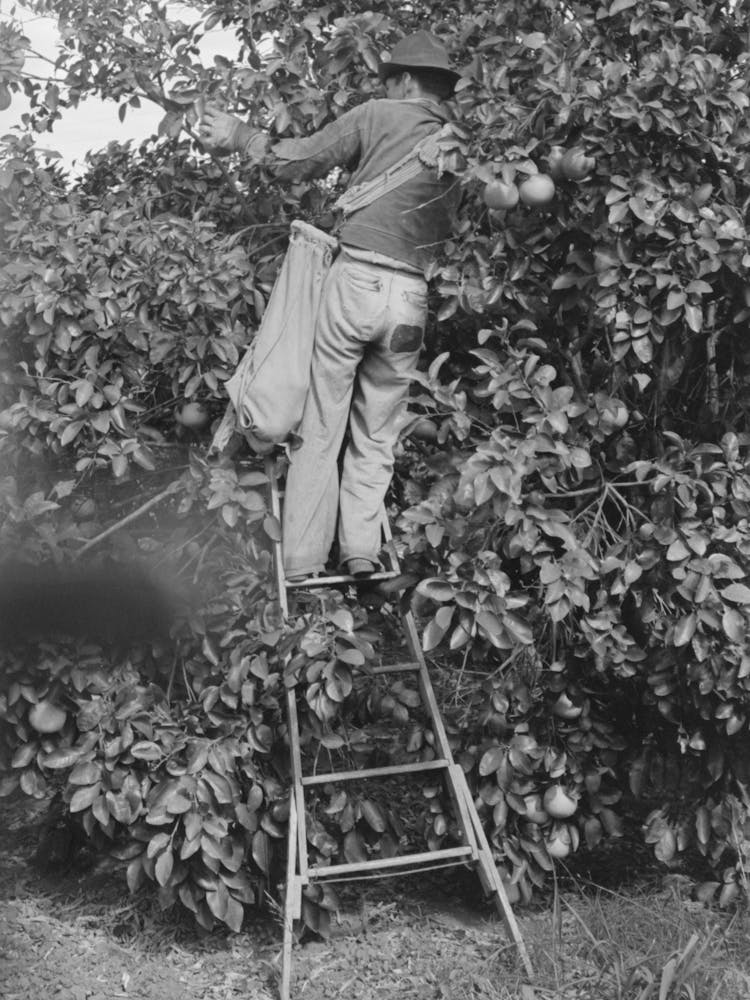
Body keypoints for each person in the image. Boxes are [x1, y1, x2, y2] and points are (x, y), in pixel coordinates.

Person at [200, 31, 462, 581]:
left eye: (389, 80)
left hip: (357, 282)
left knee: (322, 423)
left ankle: (301, 558)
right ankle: (362, 550)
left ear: (405, 81)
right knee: (378, 433)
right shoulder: (462, 143)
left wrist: (240, 135)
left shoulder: (378, 115)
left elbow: (298, 161)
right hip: (411, 298)